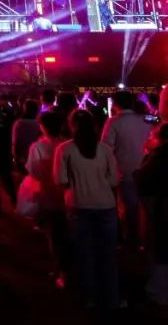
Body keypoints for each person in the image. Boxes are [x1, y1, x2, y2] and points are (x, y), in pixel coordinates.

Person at [54, 109, 122, 310]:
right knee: (107, 254)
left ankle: (89, 298)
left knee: (84, 254)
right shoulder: (105, 149)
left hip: (78, 204)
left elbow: (60, 180)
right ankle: (112, 298)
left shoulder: (64, 149)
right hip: (105, 205)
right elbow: (114, 179)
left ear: (71, 125)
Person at [101, 90, 153, 245]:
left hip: (124, 171)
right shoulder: (146, 118)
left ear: (115, 104)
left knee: (129, 208)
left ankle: (133, 240)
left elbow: (105, 148)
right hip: (147, 168)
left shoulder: (113, 122)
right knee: (146, 206)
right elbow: (159, 119)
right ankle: (147, 239)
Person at [25, 110, 70, 288]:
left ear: (42, 126)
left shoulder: (38, 147)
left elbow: (33, 171)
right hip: (68, 194)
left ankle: (62, 271)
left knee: (55, 235)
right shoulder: (67, 144)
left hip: (49, 194)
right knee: (68, 232)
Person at [136, 123, 168, 306]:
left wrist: (147, 156)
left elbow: (144, 180)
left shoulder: (158, 156)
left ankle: (158, 292)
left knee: (160, 249)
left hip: (162, 208)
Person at [12, 99, 41, 175]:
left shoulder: (19, 123)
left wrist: (15, 156)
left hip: (23, 154)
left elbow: (16, 141)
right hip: (36, 153)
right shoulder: (39, 123)